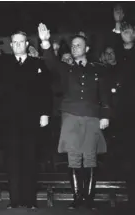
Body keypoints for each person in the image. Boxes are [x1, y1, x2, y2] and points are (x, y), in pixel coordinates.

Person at [0, 23, 52, 209]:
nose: (17, 45)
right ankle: (15, 200)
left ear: (26, 44)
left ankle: (30, 200)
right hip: (9, 120)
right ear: (11, 45)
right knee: (12, 160)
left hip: (32, 118)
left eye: (20, 42)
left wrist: (45, 113)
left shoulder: (37, 63)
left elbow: (45, 91)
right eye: (14, 42)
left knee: (30, 159)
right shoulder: (5, 62)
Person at [38, 23, 110, 210]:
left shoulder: (97, 69)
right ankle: (77, 198)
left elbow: (104, 95)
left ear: (87, 49)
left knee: (90, 158)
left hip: (92, 117)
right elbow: (51, 62)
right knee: (74, 158)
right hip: (70, 117)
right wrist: (45, 42)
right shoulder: (66, 69)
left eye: (79, 45)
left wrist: (105, 115)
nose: (75, 48)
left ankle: (89, 199)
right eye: (73, 45)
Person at [110, 21, 135, 211]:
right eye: (124, 31)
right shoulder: (119, 56)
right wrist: (117, 26)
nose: (127, 33)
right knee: (128, 157)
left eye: (130, 31)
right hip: (125, 114)